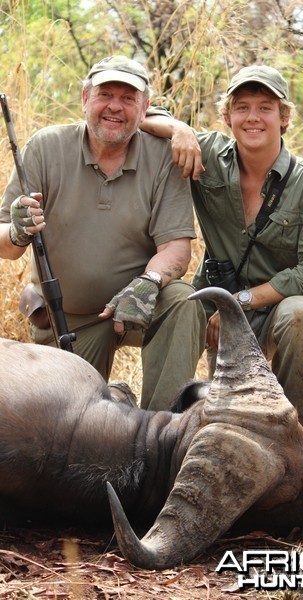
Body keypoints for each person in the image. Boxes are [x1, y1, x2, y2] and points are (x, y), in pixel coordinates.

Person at [142, 65, 303, 456]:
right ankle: (154, 436)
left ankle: (296, 435)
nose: (253, 117)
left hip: (273, 306)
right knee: (181, 303)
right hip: (215, 297)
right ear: (228, 115)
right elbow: (144, 117)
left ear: (284, 118)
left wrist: (238, 304)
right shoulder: (209, 152)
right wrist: (181, 130)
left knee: (302, 313)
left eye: (265, 107)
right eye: (242, 106)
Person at [0, 55, 206, 411]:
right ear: (84, 99)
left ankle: (160, 431)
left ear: (144, 110)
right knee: (67, 426)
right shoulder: (45, 147)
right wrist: (18, 231)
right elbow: (6, 244)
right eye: (104, 94)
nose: (115, 106)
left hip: (136, 307)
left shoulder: (163, 155)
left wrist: (149, 282)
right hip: (70, 316)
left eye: (128, 98)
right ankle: (115, 401)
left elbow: (176, 246)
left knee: (183, 302)